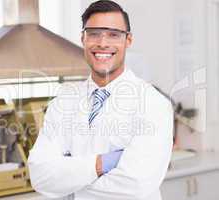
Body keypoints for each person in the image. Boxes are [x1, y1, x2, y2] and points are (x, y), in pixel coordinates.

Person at [27, 1, 173, 199]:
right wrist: (104, 163)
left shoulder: (153, 104)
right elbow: (40, 175)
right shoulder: (64, 102)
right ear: (83, 38)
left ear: (128, 40)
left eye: (113, 34)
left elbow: (136, 184)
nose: (103, 43)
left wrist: (69, 175)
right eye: (94, 33)